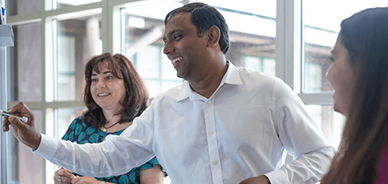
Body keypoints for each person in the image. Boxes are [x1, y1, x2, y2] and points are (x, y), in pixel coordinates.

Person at [3, 3, 334, 184]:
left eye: (176, 37)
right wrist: (35, 140)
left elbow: (322, 156)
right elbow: (105, 157)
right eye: (163, 40)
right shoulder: (163, 109)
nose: (166, 49)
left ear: (211, 36)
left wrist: (271, 182)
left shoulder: (269, 92)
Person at [52, 53, 166, 184]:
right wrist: (61, 178)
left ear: (129, 85)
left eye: (109, 77)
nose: (99, 85)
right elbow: (64, 169)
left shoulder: (145, 128)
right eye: (94, 79)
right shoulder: (79, 125)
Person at [320, 7, 388, 184]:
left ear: (364, 67)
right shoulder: (369, 155)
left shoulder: (381, 167)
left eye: (334, 59)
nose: (329, 74)